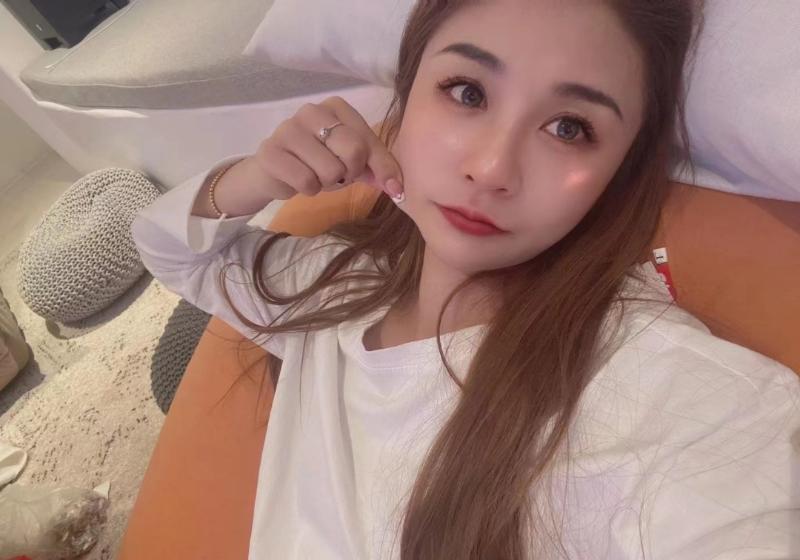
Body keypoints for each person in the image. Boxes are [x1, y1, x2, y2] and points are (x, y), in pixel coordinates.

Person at [131, 0, 800, 558]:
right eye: (467, 92)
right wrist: (255, 176)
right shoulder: (333, 286)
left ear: (620, 171)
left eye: (569, 128)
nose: (492, 168)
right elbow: (173, 250)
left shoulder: (686, 403)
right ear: (406, 97)